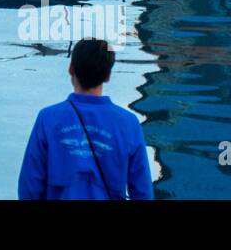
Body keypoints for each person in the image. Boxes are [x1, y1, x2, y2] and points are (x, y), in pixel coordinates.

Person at [17, 38, 153, 200]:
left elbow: (29, 187)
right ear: (108, 76)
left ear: (71, 69)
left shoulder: (48, 118)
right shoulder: (128, 123)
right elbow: (142, 192)